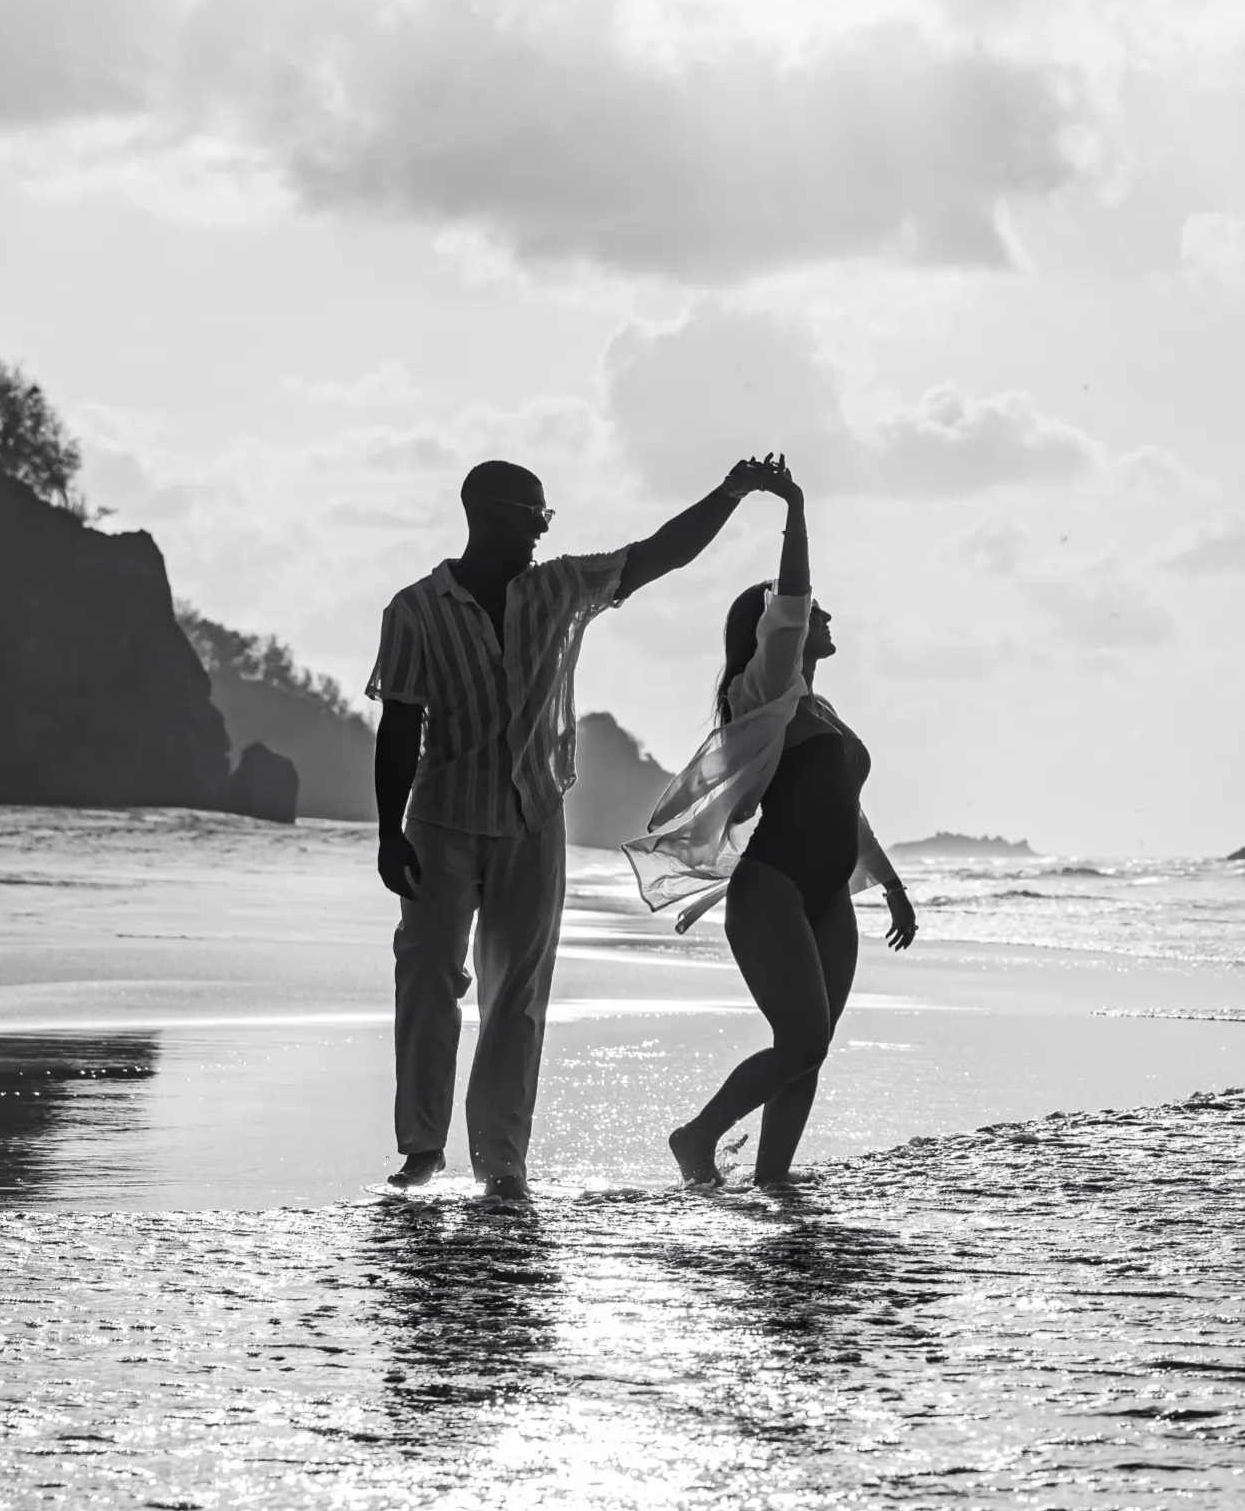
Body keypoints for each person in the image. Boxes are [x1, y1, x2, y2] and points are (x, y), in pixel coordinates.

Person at [368, 453, 787, 1200]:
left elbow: (659, 554)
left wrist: (731, 492)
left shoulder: (559, 588)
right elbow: (400, 722)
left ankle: (501, 1161)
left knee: (517, 996)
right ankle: (423, 1147)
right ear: (485, 514)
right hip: (440, 820)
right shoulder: (415, 610)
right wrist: (387, 830)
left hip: (533, 816)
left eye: (546, 517)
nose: (542, 529)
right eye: (532, 515)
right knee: (428, 978)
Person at [621, 454, 916, 1188]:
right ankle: (696, 1136)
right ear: (779, 634)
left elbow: (845, 806)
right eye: (814, 613)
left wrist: (891, 884)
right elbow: (789, 603)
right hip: (773, 890)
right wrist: (794, 507)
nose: (823, 615)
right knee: (803, 1038)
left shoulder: (819, 709)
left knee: (810, 1051)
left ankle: (773, 1180)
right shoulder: (765, 691)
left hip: (829, 897)